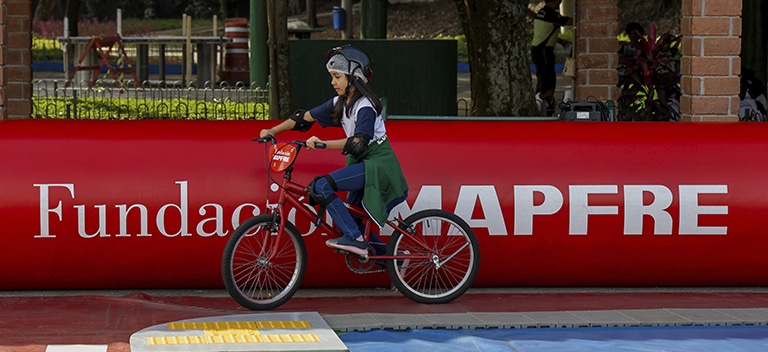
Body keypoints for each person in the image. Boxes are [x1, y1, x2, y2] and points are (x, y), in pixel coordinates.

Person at [259, 45, 409, 258]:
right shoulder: (340, 103)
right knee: (350, 221)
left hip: (378, 167)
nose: (332, 82)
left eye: (337, 76)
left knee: (321, 186)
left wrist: (323, 144)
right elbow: (305, 117)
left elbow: (359, 143)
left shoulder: (365, 106)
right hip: (362, 165)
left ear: (354, 77)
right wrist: (273, 130)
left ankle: (356, 241)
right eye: (332, 76)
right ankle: (396, 261)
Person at [531, 0, 572, 113]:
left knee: (545, 75)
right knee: (546, 78)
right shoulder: (550, 13)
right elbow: (569, 21)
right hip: (544, 49)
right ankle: (542, 100)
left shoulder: (542, 12)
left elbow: (545, 31)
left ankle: (547, 102)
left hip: (539, 48)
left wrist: (559, 40)